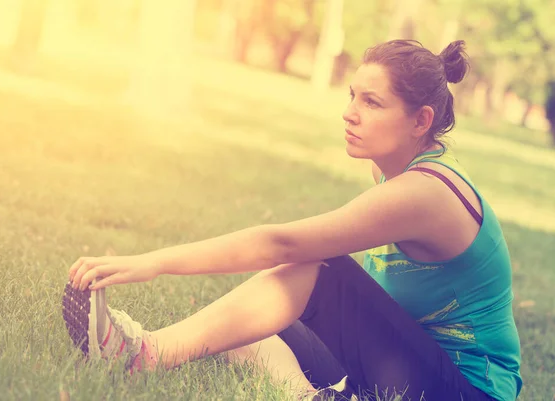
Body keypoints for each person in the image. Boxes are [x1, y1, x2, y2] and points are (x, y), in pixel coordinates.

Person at [62, 40, 522, 401]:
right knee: (245, 326)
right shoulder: (389, 166)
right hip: (411, 367)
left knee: (310, 270)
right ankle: (313, 396)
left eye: (372, 103)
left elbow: (286, 245)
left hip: (465, 393)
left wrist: (154, 262)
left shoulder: (426, 193)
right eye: (352, 96)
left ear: (421, 120)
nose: (349, 113)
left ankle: (142, 355)